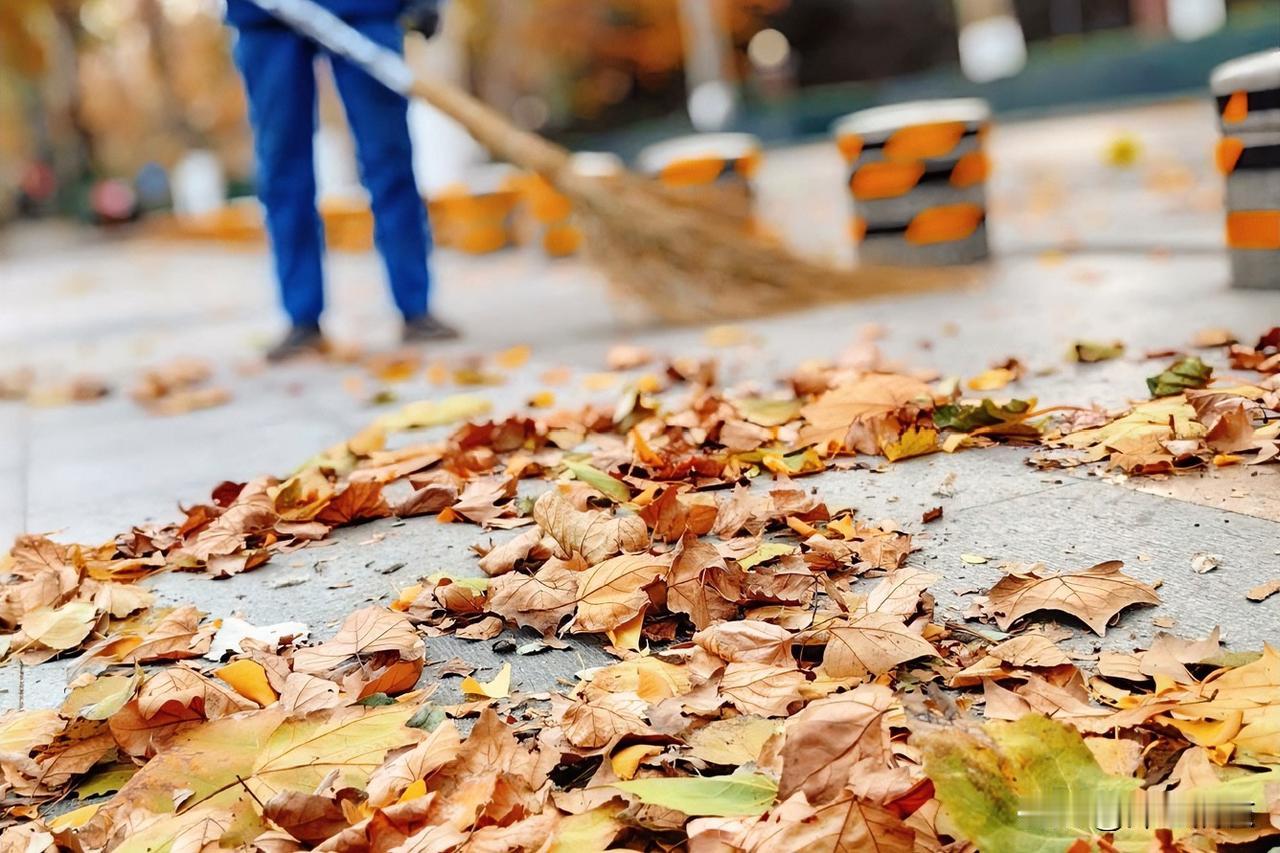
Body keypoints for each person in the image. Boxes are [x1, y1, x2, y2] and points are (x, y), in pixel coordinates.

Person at [224, 0, 457, 361]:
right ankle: (302, 319)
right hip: (266, 13)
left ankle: (416, 306)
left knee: (389, 156)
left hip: (366, 9)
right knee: (283, 167)